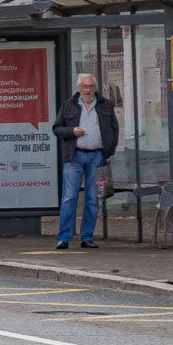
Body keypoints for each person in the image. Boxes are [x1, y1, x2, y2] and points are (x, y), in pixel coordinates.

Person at [51, 73, 118, 250]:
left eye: (90, 87)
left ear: (95, 88)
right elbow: (57, 129)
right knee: (69, 197)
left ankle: (86, 237)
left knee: (92, 199)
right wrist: (72, 131)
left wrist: (107, 152)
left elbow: (114, 129)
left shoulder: (105, 105)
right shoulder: (69, 105)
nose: (87, 90)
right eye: (84, 86)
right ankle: (64, 237)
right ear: (79, 88)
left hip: (97, 155)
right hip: (75, 156)